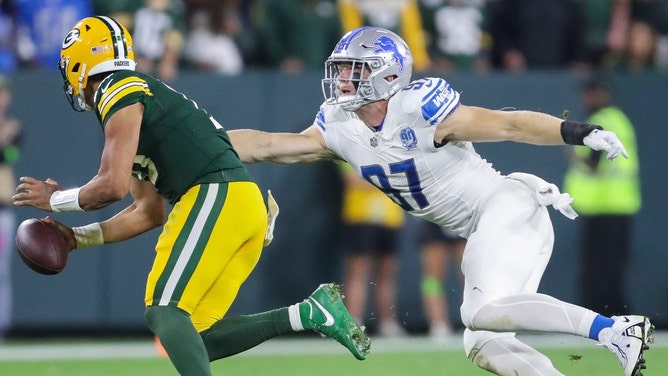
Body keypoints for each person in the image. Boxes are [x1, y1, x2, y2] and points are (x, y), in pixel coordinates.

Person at [227, 26, 654, 376]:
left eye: (353, 70)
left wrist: (578, 131)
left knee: (480, 312)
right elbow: (268, 144)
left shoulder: (420, 108)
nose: (342, 80)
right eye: (340, 70)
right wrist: (202, 140)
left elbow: (508, 125)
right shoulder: (339, 125)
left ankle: (615, 329)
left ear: (387, 76)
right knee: (483, 343)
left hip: (507, 207)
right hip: (483, 226)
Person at [12, 16, 370, 376]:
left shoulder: (117, 89)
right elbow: (148, 212)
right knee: (195, 335)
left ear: (79, 64)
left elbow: (112, 185)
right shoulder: (139, 101)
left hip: (214, 194)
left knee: (163, 310)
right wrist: (76, 238)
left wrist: (55, 200)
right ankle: (309, 313)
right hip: (240, 205)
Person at [563, 75, 641, 318]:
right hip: (623, 205)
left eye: (589, 93)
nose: (586, 99)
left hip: (601, 207)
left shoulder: (599, 122)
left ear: (599, 94)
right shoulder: (620, 120)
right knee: (614, 269)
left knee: (597, 270)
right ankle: (620, 317)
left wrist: (572, 154)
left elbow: (593, 165)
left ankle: (598, 318)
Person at [337, 161, 406, 337]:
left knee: (387, 273)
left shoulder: (392, 146)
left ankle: (387, 323)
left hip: (390, 218)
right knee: (358, 271)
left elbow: (404, 180)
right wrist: (386, 181)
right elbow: (353, 180)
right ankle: (352, 322)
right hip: (361, 217)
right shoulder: (349, 148)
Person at [417, 220, 465, 342]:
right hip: (434, 216)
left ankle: (478, 323)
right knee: (432, 277)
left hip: (462, 215)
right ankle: (438, 324)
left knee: (469, 274)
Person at [0, 75, 21, 339]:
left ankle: (1, 327)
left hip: (2, 210)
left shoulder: (13, 127)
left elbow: (8, 154)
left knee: (1, 271)